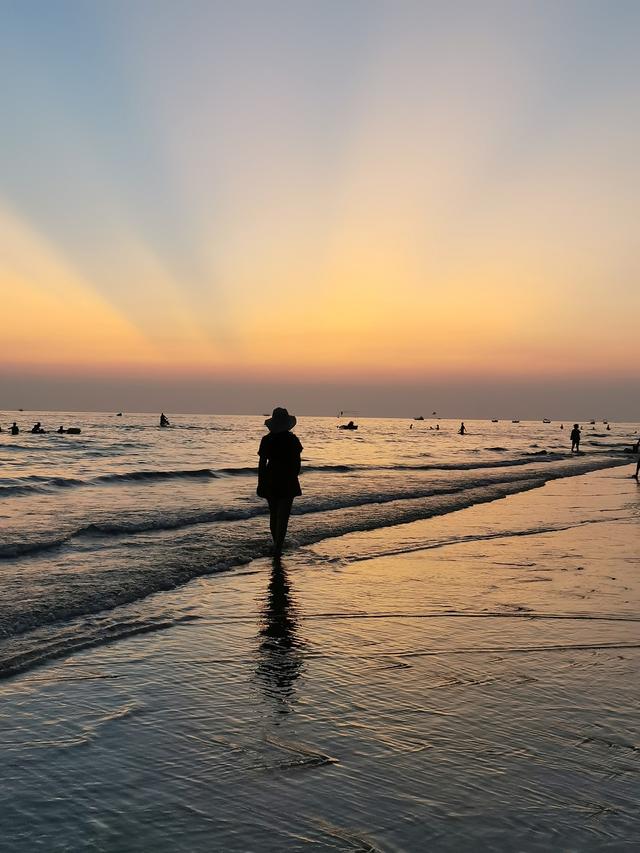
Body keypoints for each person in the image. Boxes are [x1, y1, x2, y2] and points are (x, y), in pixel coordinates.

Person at [257, 407, 302, 556]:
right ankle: (278, 546)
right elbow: (297, 463)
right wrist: (294, 475)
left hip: (271, 478)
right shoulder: (292, 440)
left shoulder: (267, 439)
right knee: (283, 516)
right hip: (288, 478)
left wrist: (261, 482)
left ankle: (277, 543)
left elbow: (262, 463)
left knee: (274, 514)